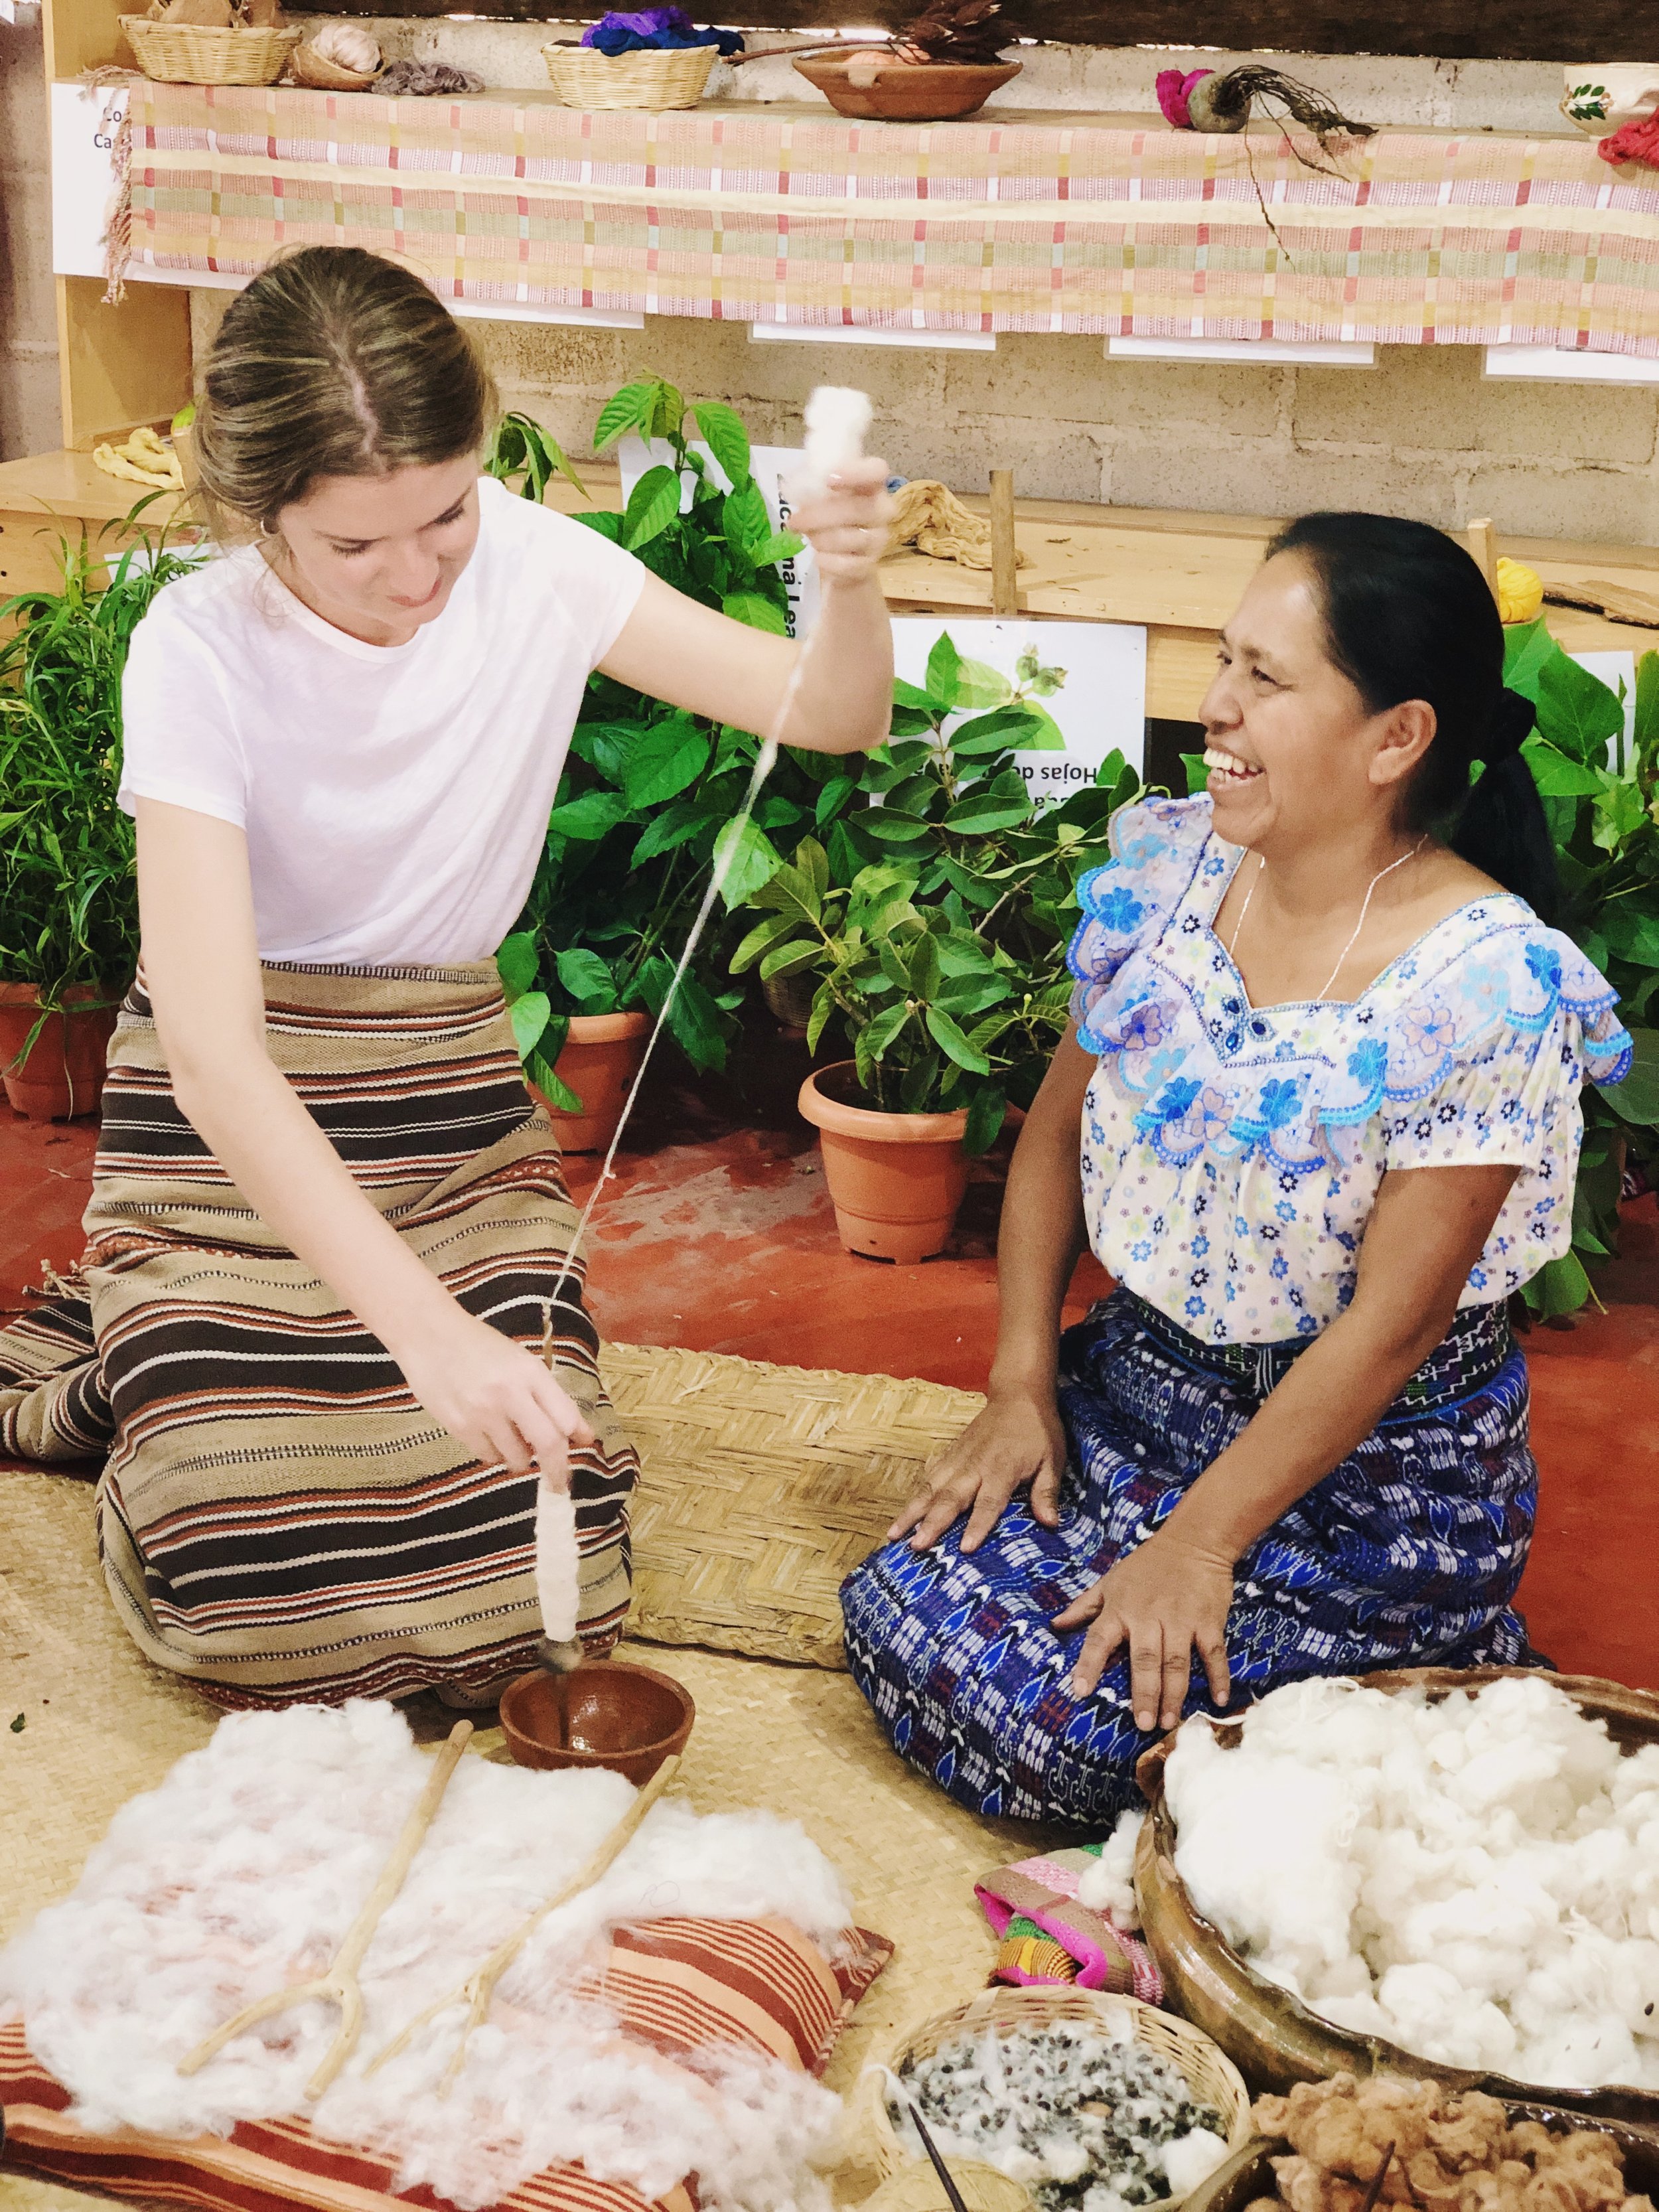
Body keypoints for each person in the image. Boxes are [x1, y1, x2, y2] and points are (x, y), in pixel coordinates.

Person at [0, 245, 894, 1708]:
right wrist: (430, 1339)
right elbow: (221, 1063)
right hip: (228, 1142)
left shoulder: (539, 570)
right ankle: (141, 1393)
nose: (415, 573)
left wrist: (847, 583)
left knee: (552, 1553)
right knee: (250, 1589)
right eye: (355, 546)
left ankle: (176, 1375)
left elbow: (834, 713)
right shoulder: (197, 649)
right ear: (258, 510)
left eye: (447, 513)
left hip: (444, 1119)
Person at [841, 512, 1632, 1826]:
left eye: (1264, 679)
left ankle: (1413, 1661)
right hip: (1133, 1399)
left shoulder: (1485, 983)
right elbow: (1050, 1132)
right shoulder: (1169, 871)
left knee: (1067, 1729)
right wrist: (1019, 1385)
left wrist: (1201, 1544)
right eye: (1223, 664)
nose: (1212, 709)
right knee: (900, 1595)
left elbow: (1392, 1326)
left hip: (1359, 1481)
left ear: (1395, 737)